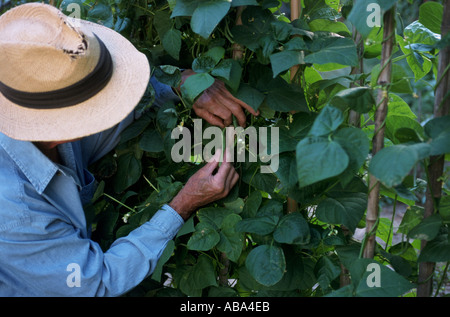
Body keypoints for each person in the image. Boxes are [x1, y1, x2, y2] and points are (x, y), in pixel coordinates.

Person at [0, 3, 257, 296]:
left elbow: (116, 115)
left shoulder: (24, 92)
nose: (111, 108)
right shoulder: (14, 213)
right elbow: (96, 284)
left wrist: (182, 86)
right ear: (64, 128)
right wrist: (183, 204)